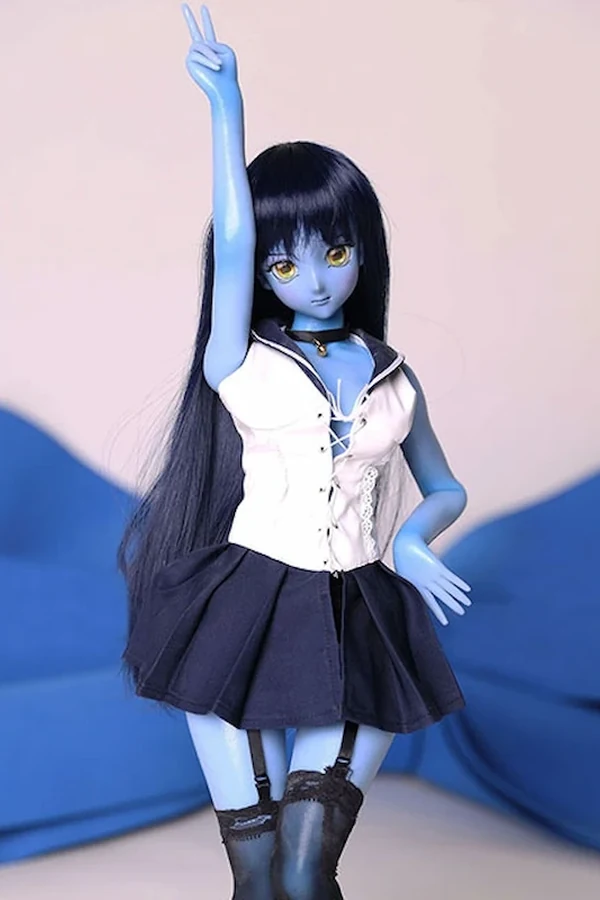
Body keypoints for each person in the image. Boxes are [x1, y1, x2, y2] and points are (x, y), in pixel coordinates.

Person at [120, 6, 471, 898]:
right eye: (286, 266)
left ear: (364, 252)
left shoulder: (394, 376)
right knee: (260, 871)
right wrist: (227, 109)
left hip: (361, 618)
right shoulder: (240, 363)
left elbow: (444, 485)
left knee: (310, 866)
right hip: (240, 613)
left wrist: (413, 540)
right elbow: (233, 236)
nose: (314, 281)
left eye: (335, 252)